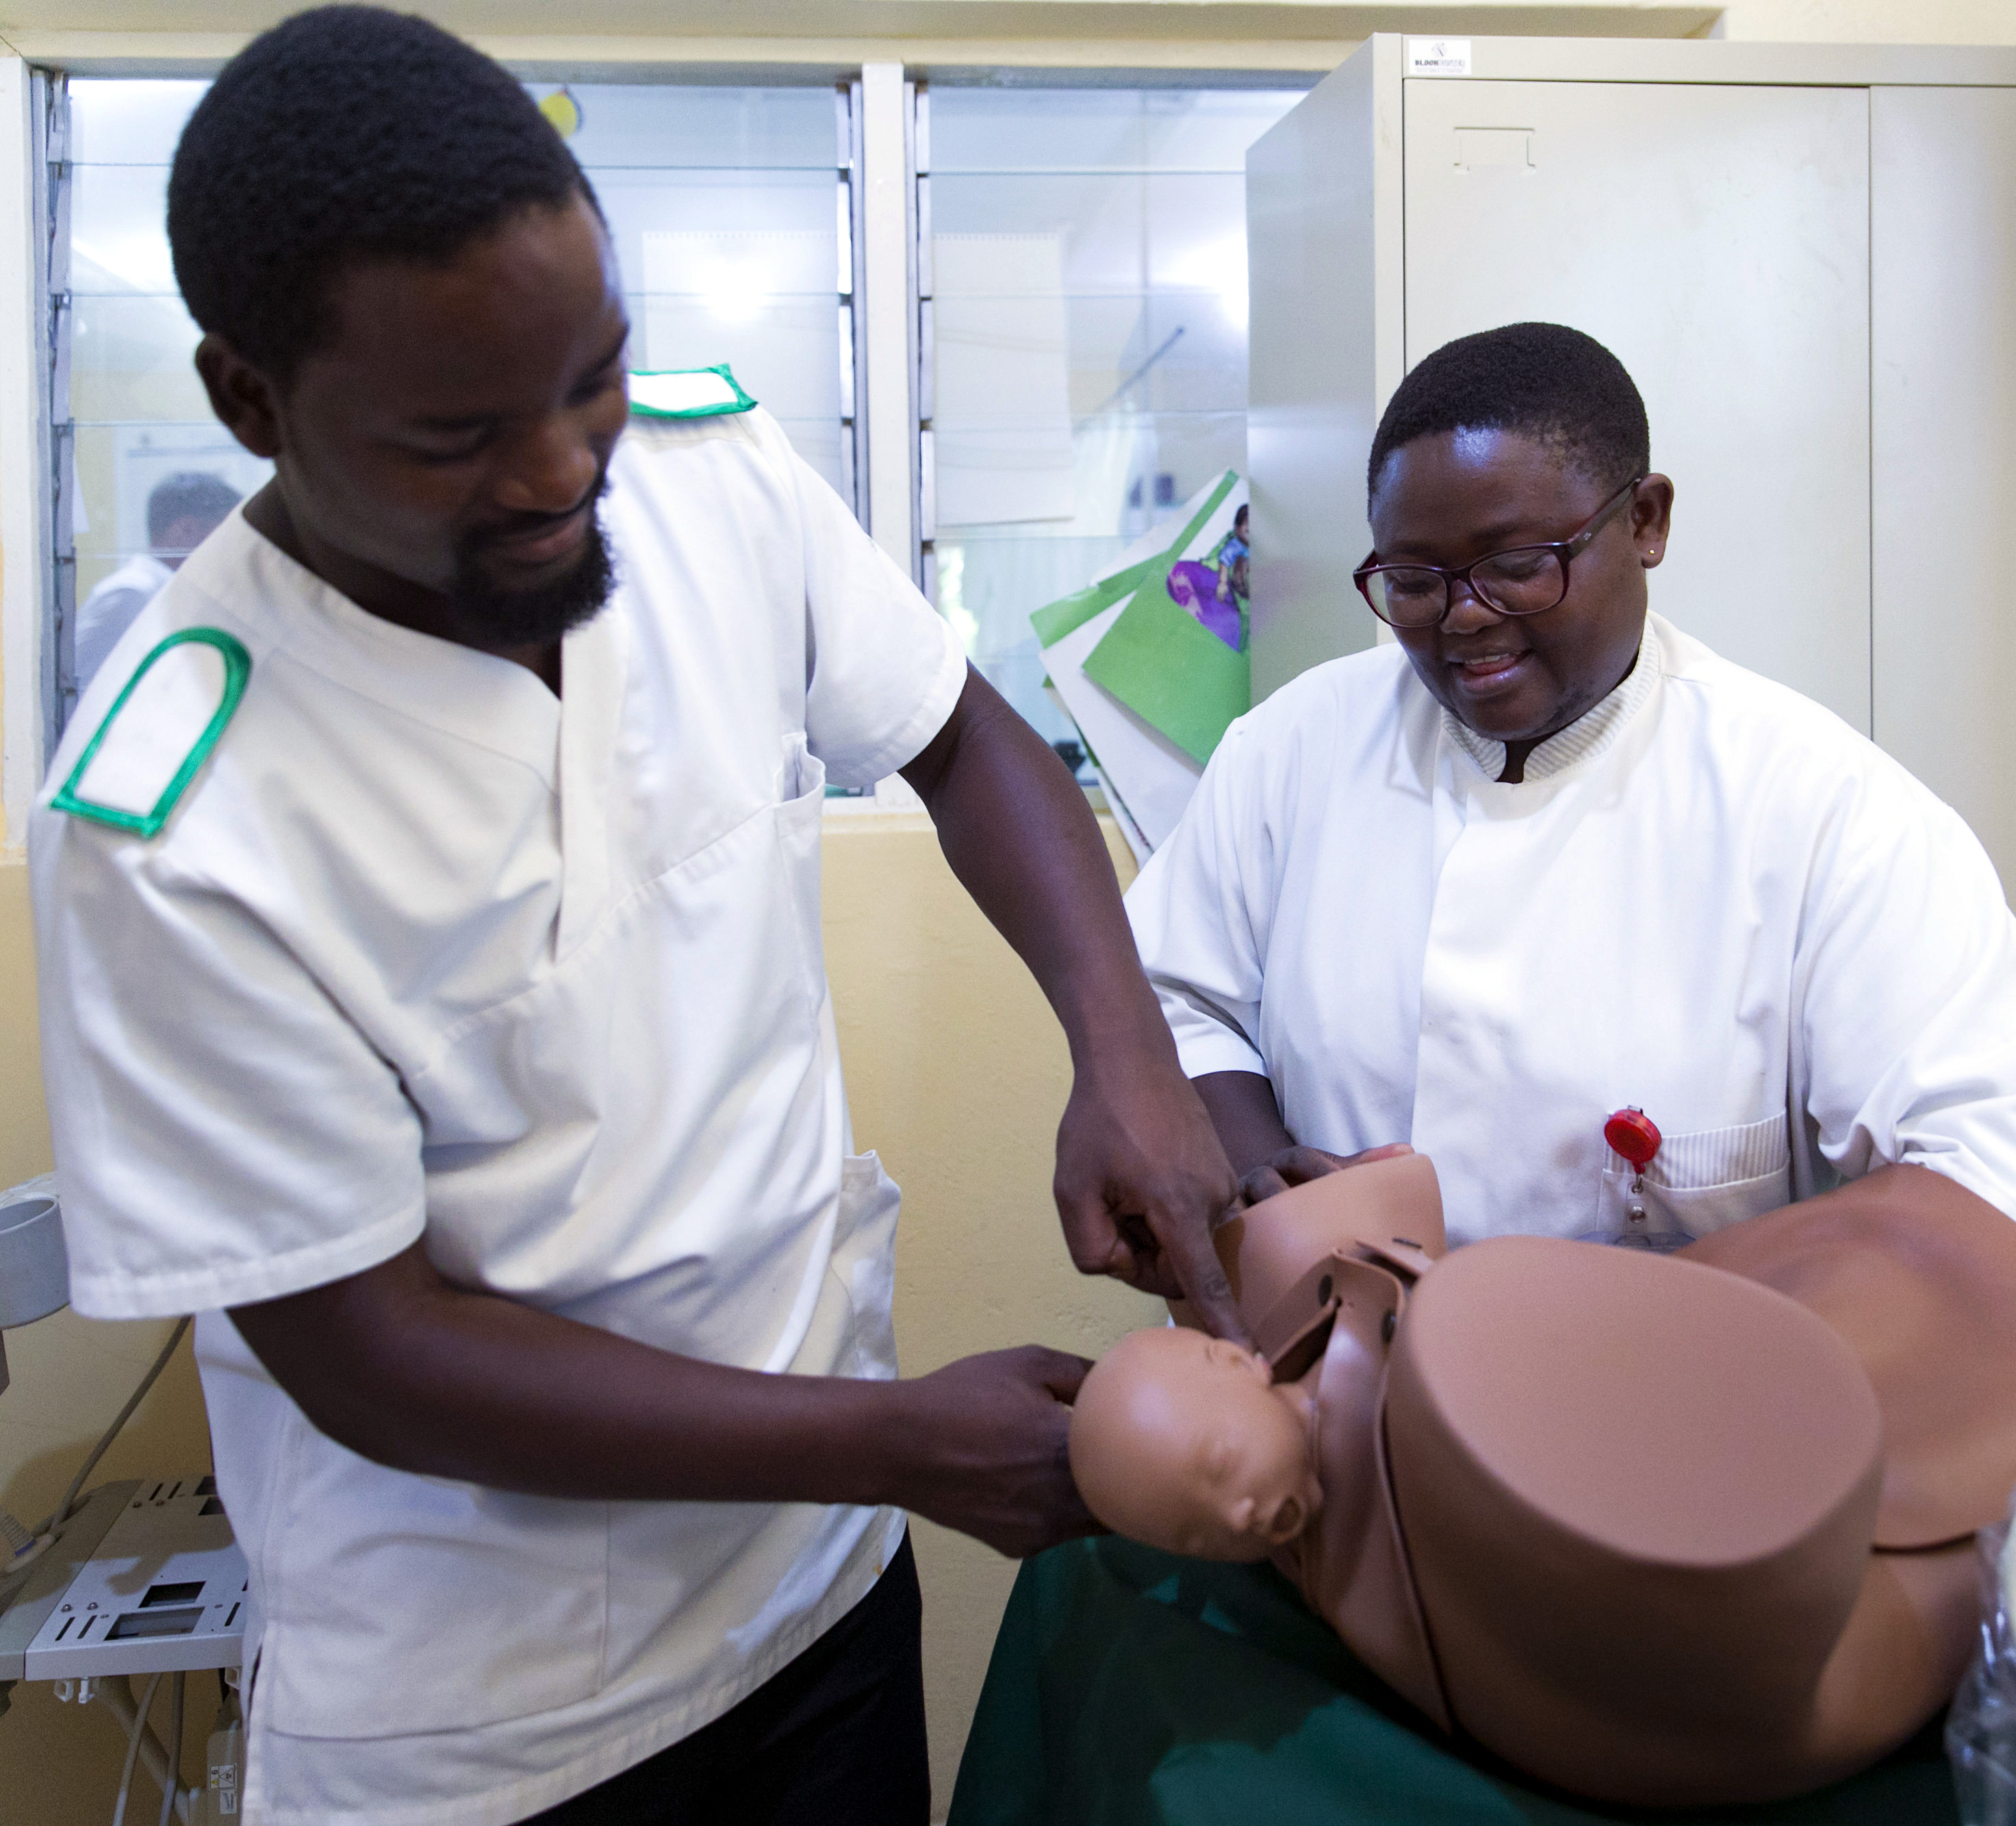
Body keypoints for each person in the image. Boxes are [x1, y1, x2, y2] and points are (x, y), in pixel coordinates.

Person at [29, 11, 1242, 1825]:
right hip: (487, 1713)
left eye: (593, 376)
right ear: (251, 404)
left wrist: (1121, 1051)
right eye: (457, 434)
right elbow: (379, 1355)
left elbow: (967, 739)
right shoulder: (173, 819)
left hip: (815, 1595)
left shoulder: (706, 479)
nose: (559, 469)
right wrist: (900, 1440)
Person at [1126, 322, 2016, 1267]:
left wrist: (1664, 1326)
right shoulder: (1292, 752)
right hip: (1344, 1386)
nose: (1466, 619)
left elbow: (2010, 1188)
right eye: (1416, 581)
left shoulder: (1824, 813)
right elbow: (1169, 996)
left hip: (1687, 1408)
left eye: (1518, 567)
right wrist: (1265, 1171)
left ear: (1646, 522)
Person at [1067, 1152, 2016, 1806]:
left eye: (1221, 1470)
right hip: (1677, 1601)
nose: (1245, 1514)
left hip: (1785, 1371)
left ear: (1234, 1362)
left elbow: (1997, 1158)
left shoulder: (1826, 813)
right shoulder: (1330, 1341)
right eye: (1210, 1531)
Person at [67, 469, 242, 699]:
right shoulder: (130, 594)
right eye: (226, 532)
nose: (232, 547)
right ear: (186, 530)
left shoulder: (171, 591)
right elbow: (83, 695)